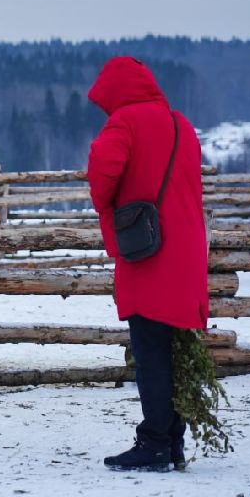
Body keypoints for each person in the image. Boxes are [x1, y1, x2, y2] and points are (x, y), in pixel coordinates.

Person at [87, 57, 208, 472]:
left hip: (149, 248)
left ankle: (154, 443)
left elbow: (102, 174)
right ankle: (172, 441)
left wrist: (108, 205)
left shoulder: (124, 124)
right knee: (172, 347)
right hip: (187, 246)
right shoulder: (182, 124)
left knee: (151, 348)